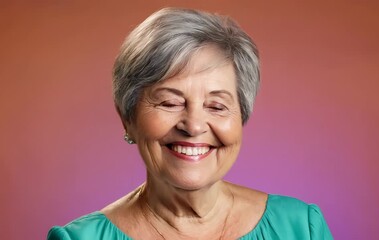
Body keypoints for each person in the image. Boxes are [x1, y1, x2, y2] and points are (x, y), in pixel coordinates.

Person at [47, 7, 333, 240]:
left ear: (241, 118)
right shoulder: (80, 239)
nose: (194, 125)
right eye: (170, 103)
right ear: (128, 118)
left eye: (217, 106)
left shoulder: (301, 228)